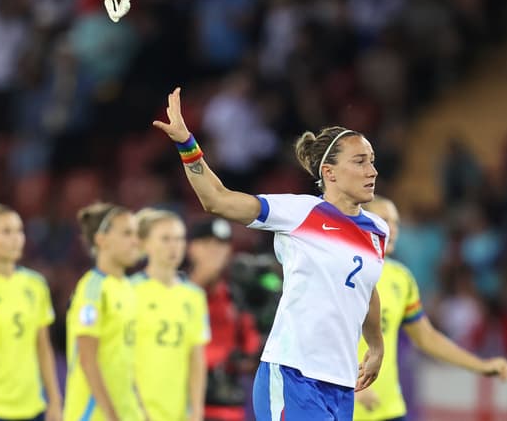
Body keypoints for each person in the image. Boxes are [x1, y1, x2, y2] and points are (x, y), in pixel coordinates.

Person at [154, 88, 387, 420]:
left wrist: (376, 346)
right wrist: (186, 145)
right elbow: (217, 200)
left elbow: (365, 286)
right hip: (294, 373)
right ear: (329, 173)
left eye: (372, 162)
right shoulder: (299, 212)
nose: (372, 171)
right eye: (360, 162)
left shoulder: (377, 229)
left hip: (341, 382)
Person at [353, 196, 507, 421]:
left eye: (396, 222)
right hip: (345, 408)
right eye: (383, 219)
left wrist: (481, 366)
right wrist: (350, 386)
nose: (392, 229)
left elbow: (426, 337)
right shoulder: (344, 273)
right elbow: (317, 339)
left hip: (390, 409)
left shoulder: (401, 278)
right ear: (361, 223)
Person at [0, 204, 62, 421]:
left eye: (19, 231)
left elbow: (43, 347)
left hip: (32, 407)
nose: (16, 238)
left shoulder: (35, 284)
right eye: (6, 232)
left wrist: (54, 400)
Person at [63, 203, 144, 421]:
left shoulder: (128, 287)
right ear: (102, 240)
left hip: (127, 411)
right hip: (94, 414)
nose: (136, 241)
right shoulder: (92, 289)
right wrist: (111, 416)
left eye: (136, 234)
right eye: (127, 233)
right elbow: (87, 360)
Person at [130, 208, 209, 421]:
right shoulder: (129, 292)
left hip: (178, 413)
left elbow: (196, 359)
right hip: (135, 412)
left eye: (179, 239)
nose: (174, 246)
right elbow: (119, 356)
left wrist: (197, 411)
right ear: (145, 244)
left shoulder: (194, 297)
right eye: (165, 239)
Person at [187, 218, 261, 421]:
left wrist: (242, 358)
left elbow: (251, 346)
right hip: (183, 403)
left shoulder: (234, 297)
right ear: (191, 248)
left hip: (227, 406)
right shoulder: (176, 292)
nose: (215, 252)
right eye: (207, 244)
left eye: (221, 245)